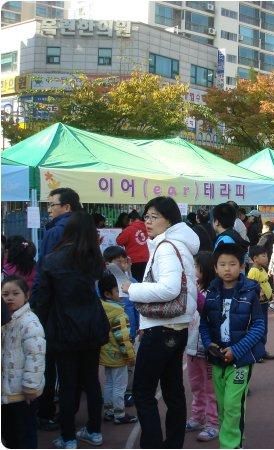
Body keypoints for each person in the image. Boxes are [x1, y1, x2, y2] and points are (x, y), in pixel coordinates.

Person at [123, 196, 199, 448]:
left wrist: (131, 289)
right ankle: (173, 442)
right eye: (146, 216)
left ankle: (152, 444)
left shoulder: (167, 246)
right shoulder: (179, 243)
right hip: (176, 328)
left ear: (170, 220)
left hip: (161, 328)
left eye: (154, 217)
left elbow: (169, 288)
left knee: (144, 392)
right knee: (173, 390)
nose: (148, 221)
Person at [34, 211, 110, 448]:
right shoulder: (94, 259)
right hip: (92, 326)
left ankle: (67, 437)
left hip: (63, 327)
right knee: (91, 381)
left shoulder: (53, 259)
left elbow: (41, 299)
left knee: (67, 383)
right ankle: (94, 430)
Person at [199, 243, 265, 449]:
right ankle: (231, 437)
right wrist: (209, 343)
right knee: (222, 406)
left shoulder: (250, 292)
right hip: (217, 359)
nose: (227, 269)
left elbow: (258, 326)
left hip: (240, 360)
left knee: (233, 404)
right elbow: (204, 324)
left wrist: (236, 350)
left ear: (241, 267)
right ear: (215, 268)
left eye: (232, 264)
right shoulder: (212, 293)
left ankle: (231, 445)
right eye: (222, 264)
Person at [30, 187, 82, 432]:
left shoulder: (56, 232)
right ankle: (69, 414)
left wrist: (39, 304)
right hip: (78, 306)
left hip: (54, 306)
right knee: (74, 364)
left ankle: (46, 411)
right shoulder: (85, 229)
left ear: (66, 207)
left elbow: (44, 272)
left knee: (49, 360)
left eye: (52, 204)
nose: (49, 209)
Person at [1, 275, 46, 449]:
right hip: (6, 393)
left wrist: (31, 387)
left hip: (23, 392)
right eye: (5, 294)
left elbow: (35, 356)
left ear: (26, 296)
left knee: (25, 435)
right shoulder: (5, 321)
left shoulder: (29, 322)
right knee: (9, 435)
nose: (9, 298)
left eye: (15, 293)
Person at [185, 251, 219, 442]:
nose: (192, 270)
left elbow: (205, 309)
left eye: (195, 267)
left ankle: (212, 423)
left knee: (210, 388)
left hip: (207, 350)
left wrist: (193, 292)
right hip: (191, 347)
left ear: (204, 269)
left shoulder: (213, 292)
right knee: (196, 385)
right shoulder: (194, 287)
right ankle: (197, 416)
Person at [97, 272, 137, 425]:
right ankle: (119, 414)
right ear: (108, 293)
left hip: (106, 353)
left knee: (108, 383)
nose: (121, 294)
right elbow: (124, 338)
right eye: (117, 291)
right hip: (119, 355)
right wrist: (131, 356)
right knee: (120, 386)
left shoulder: (101, 307)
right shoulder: (119, 312)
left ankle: (109, 410)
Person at [247, 245, 274, 360]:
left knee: (264, 328)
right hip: (258, 304)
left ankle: (262, 351)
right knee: (259, 328)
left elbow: (265, 283)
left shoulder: (262, 269)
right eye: (263, 256)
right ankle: (256, 353)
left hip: (264, 304)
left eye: (266, 255)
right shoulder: (253, 271)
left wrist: (271, 294)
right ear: (255, 259)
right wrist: (259, 293)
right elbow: (251, 286)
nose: (266, 258)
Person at [116, 210, 150, 283]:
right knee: (145, 282)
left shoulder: (129, 229)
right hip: (147, 259)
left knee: (135, 282)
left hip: (134, 260)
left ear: (130, 220)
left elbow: (119, 241)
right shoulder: (148, 228)